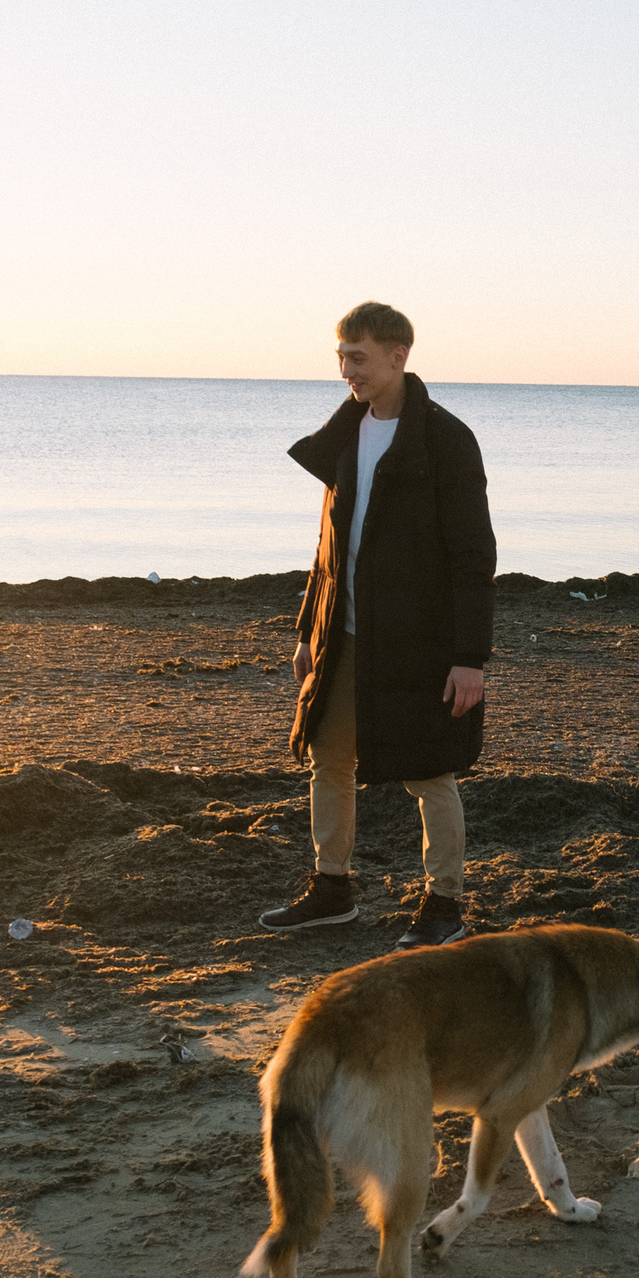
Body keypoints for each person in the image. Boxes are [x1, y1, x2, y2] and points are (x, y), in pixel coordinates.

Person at [258, 302, 496, 947]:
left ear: (399, 356)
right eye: (340, 356)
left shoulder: (446, 439)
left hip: (419, 643)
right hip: (346, 637)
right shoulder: (345, 435)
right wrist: (311, 630)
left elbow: (474, 557)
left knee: (429, 773)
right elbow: (327, 549)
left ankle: (443, 904)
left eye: (357, 357)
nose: (346, 371)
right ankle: (332, 889)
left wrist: (470, 658)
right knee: (327, 761)